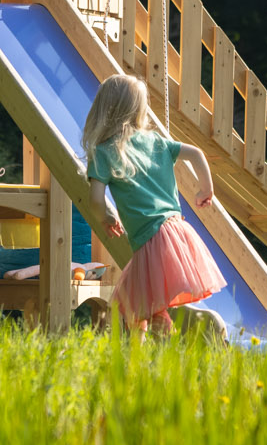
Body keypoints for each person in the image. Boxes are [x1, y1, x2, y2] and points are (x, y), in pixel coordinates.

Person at [81, 74, 225, 336]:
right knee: (137, 302)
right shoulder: (155, 141)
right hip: (176, 231)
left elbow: (95, 199)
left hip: (152, 238)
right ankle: (149, 348)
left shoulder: (103, 152)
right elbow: (196, 154)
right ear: (139, 109)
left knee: (134, 304)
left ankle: (170, 339)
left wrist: (105, 217)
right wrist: (207, 189)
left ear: (102, 109)